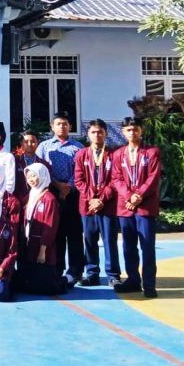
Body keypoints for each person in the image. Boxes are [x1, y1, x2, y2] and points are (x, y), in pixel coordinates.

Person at [112, 117, 161, 298]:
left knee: (147, 246)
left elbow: (153, 178)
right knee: (129, 246)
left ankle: (149, 284)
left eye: (135, 129)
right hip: (126, 207)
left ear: (141, 130)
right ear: (123, 132)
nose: (132, 132)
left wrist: (138, 195)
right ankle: (133, 280)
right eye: (128, 130)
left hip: (145, 207)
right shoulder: (118, 154)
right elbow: (116, 178)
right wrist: (129, 196)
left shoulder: (152, 152)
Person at [36, 111, 85, 288]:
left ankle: (76, 271)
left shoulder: (78, 147)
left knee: (74, 234)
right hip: (52, 193)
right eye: (58, 124)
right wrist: (58, 185)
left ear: (70, 126)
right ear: (52, 127)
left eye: (65, 124)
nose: (62, 127)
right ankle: (57, 268)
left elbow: (81, 171)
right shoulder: (44, 147)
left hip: (73, 194)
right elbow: (41, 169)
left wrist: (68, 186)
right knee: (56, 233)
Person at [74, 118, 121, 286]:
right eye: (93, 132)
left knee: (109, 240)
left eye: (100, 132)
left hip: (107, 205)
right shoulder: (81, 154)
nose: (97, 135)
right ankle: (92, 273)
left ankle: (113, 275)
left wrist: (101, 199)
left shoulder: (114, 155)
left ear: (106, 133)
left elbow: (116, 180)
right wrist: (92, 198)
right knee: (89, 240)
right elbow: (79, 180)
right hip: (87, 206)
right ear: (88, 134)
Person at [18, 163, 66, 295]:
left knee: (43, 288)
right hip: (29, 243)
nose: (31, 179)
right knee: (27, 285)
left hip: (42, 246)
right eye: (28, 177)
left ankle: (64, 281)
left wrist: (42, 250)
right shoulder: (30, 196)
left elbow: (50, 227)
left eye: (34, 176)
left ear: (43, 175)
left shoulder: (49, 199)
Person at [15, 129, 52, 206]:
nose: (29, 144)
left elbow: (47, 185)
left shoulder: (44, 165)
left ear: (38, 143)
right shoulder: (15, 162)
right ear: (22, 144)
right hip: (19, 202)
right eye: (26, 142)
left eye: (33, 142)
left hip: (39, 202)